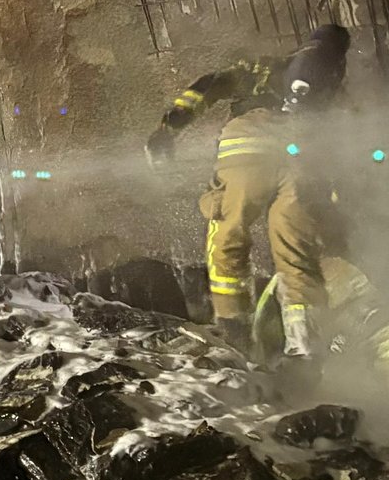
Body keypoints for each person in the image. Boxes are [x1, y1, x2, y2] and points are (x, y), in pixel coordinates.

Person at [147, 24, 350, 357]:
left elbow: (208, 86)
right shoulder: (335, 93)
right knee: (297, 253)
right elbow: (347, 145)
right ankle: (306, 350)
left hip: (250, 147)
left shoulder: (269, 67)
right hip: (306, 161)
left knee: (228, 230)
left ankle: (234, 334)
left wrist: (169, 128)